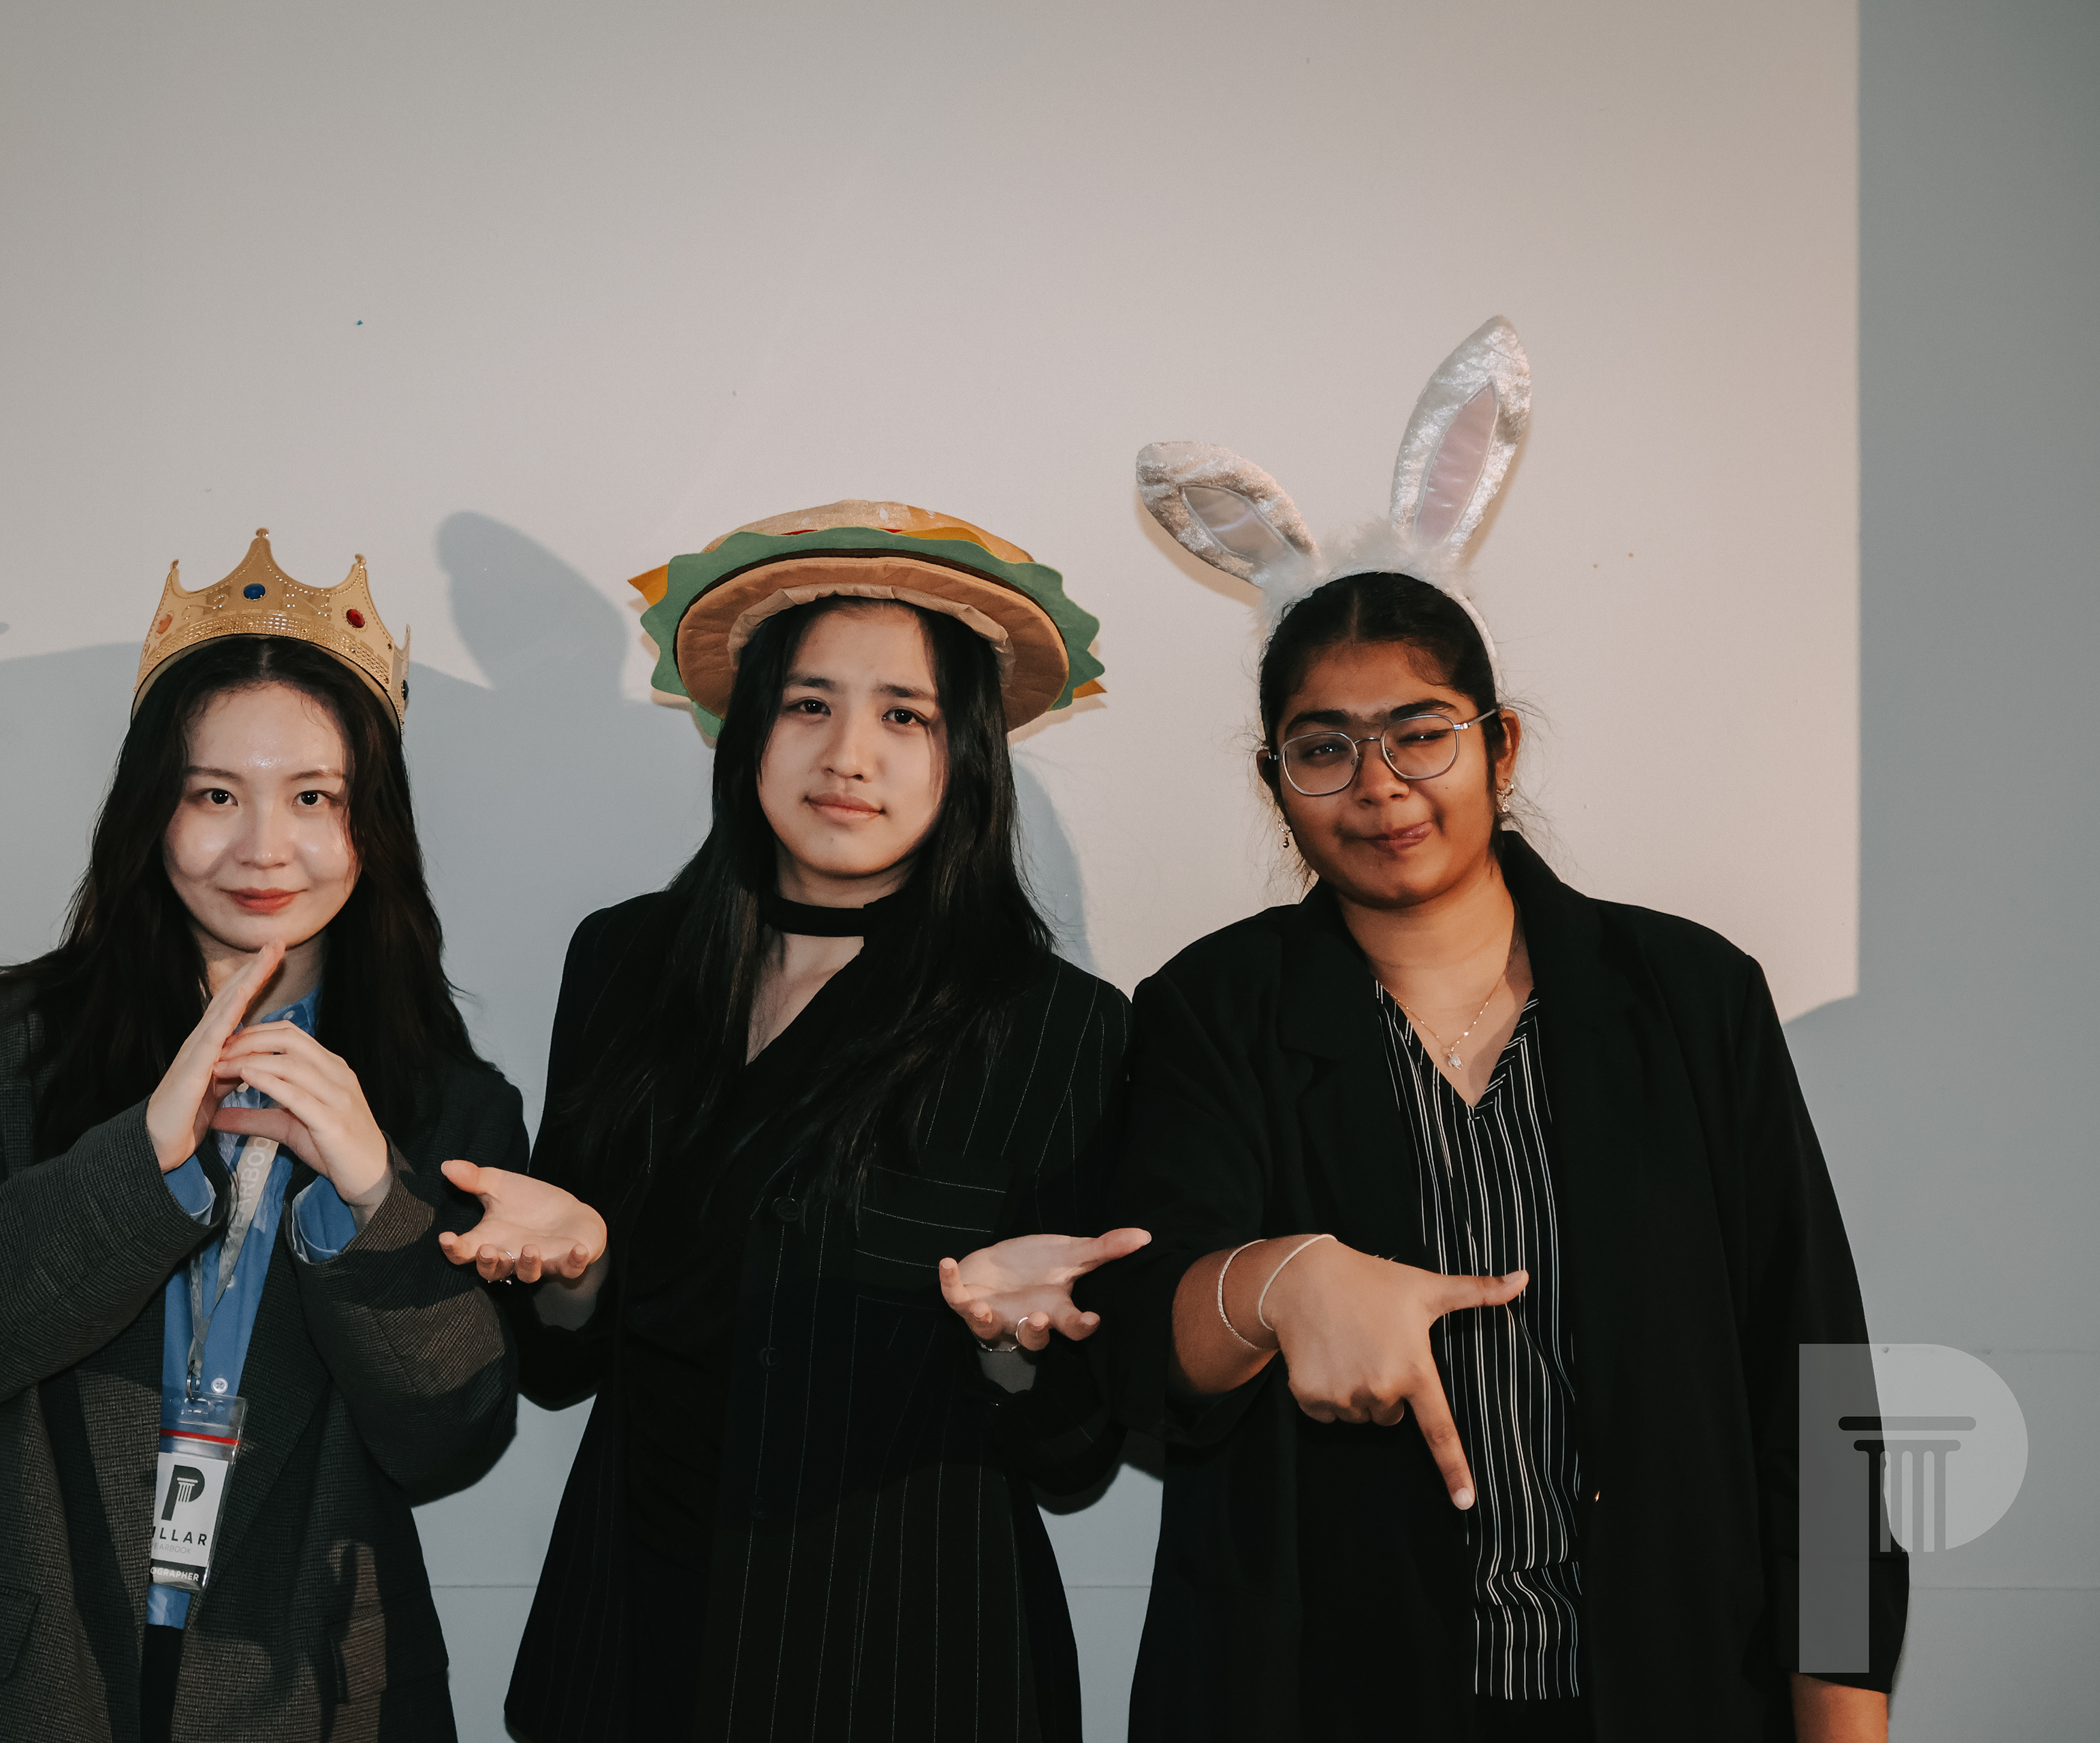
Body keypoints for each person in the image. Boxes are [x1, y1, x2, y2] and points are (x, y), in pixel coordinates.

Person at [1089, 324, 1905, 1740]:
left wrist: (1842, 1719)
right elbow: (1145, 1355)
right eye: (1324, 747)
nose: (1380, 784)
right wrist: (1277, 1283)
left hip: (1667, 1698)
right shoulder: (1212, 1012)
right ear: (1277, 783)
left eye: (1422, 732)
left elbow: (1818, 1383)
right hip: (1329, 1702)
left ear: (1499, 744)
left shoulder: (1690, 997)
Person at [432, 501, 1143, 1743]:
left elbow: (1074, 1456)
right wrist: (571, 1279)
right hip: (637, 1638)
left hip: (915, 1660)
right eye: (810, 704)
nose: (847, 755)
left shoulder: (1059, 1027)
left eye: (905, 715)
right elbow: (558, 1371)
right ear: (749, 731)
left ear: (968, 755)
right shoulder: (625, 966)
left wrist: (1013, 1346)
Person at [0, 532, 524, 1742]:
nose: (263, 848)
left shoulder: (447, 1104)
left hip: (317, 1686)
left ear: (372, 825)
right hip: (10, 1679)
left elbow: (450, 1441)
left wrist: (376, 1195)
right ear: (150, 813)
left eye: (313, 797)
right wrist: (139, 1158)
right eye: (214, 794)